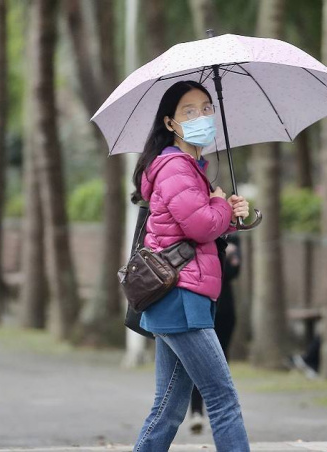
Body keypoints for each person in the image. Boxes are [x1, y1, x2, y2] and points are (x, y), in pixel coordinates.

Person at [130, 80, 251, 451]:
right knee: (222, 398)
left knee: (169, 407)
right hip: (182, 297)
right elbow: (200, 226)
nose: (202, 116)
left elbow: (198, 226)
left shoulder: (191, 168)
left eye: (207, 108)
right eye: (189, 111)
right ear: (170, 123)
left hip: (180, 297)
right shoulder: (175, 168)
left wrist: (232, 213)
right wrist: (221, 207)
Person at [189, 235, 241, 434]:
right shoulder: (198, 229)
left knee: (221, 359)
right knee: (196, 359)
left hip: (224, 307)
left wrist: (230, 257)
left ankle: (219, 415)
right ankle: (196, 411)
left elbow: (233, 272)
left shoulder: (234, 236)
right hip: (201, 304)